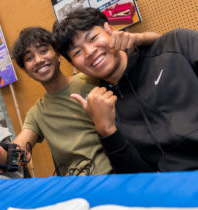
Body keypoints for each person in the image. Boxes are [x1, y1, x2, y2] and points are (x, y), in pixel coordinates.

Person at [53, 7, 197, 173]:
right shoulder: (105, 105)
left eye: (93, 38)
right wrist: (107, 132)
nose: (90, 52)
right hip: (176, 190)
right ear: (73, 65)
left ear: (109, 30)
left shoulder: (176, 44)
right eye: (77, 52)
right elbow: (137, 177)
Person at [11, 27, 159, 176]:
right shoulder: (37, 113)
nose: (38, 60)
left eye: (43, 51)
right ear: (25, 71)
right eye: (29, 58)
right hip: (78, 191)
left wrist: (139, 38)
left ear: (59, 55)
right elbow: (18, 151)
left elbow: (156, 46)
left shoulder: (93, 78)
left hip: (118, 174)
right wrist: (8, 160)